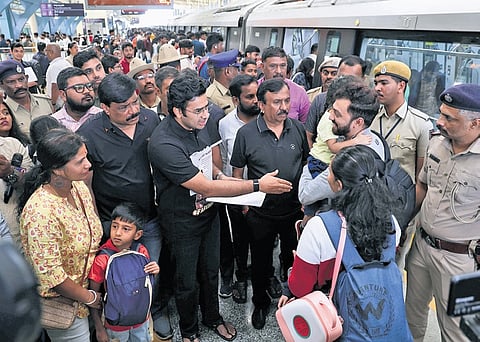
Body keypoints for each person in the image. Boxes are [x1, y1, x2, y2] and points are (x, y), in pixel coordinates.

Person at [148, 71, 293, 342]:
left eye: (207, 107)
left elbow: (208, 165)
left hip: (209, 214)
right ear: (177, 111)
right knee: (187, 281)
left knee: (210, 272)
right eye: (198, 110)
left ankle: (213, 317)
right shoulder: (163, 142)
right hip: (182, 221)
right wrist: (257, 185)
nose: (206, 114)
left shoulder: (201, 124)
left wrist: (222, 175)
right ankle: (190, 330)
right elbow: (203, 186)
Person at [230, 78, 309, 329]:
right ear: (262, 105)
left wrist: (306, 201)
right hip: (260, 214)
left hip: (293, 212)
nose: (283, 107)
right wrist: (244, 204)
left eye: (286, 101)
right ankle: (261, 302)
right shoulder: (246, 134)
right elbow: (237, 172)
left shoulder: (296, 128)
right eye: (276, 102)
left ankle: (293, 300)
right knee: (261, 263)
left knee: (293, 259)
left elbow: (306, 165)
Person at [405, 84, 480, 342]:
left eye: (449, 118)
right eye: (441, 113)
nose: (440, 122)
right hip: (421, 248)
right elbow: (422, 186)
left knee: (459, 331)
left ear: (475, 123)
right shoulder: (437, 143)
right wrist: (401, 224)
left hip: (461, 260)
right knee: (410, 318)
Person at [19, 128, 103, 341]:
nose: (88, 165)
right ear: (56, 169)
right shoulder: (40, 213)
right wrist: (90, 297)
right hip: (65, 305)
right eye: (80, 161)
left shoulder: (78, 187)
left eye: (86, 157)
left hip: (92, 290)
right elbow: (52, 277)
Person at [370, 60, 433, 267]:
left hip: (400, 207)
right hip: (369, 203)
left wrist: (404, 219)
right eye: (376, 82)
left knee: (393, 266)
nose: (378, 88)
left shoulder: (420, 124)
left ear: (401, 86)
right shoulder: (370, 117)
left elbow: (421, 178)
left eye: (384, 83)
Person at [298, 78, 385, 211]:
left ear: (358, 122)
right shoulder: (377, 140)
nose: (331, 116)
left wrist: (307, 166)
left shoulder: (347, 161)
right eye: (332, 110)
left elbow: (305, 194)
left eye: (337, 113)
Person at [89, 202, 160, 342]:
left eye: (126, 229)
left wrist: (155, 270)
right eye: (115, 226)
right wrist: (99, 327)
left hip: (141, 320)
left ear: (138, 234)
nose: (118, 233)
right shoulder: (102, 259)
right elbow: (93, 297)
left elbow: (144, 285)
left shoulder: (141, 251)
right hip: (115, 325)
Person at [217, 74, 261, 302]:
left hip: (263, 192)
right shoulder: (224, 125)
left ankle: (264, 275)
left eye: (257, 95)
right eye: (249, 97)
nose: (256, 100)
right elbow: (223, 159)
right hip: (236, 192)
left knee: (262, 237)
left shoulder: (266, 119)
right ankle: (240, 277)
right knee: (239, 237)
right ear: (235, 100)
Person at [0, 60, 53, 135]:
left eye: (21, 79)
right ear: (1, 85)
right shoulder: (4, 113)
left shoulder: (45, 101)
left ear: (27, 78)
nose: (19, 85)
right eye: (11, 82)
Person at [259, 46, 310, 124]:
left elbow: (305, 126)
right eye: (273, 66)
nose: (279, 71)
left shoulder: (299, 93)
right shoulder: (253, 90)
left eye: (283, 66)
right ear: (262, 67)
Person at [52, 67, 102, 132]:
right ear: (63, 95)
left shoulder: (103, 117)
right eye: (79, 88)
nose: (87, 91)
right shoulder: (54, 123)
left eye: (89, 86)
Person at [206, 49, 240, 115]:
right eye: (236, 69)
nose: (238, 73)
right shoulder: (211, 97)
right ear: (227, 71)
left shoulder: (233, 90)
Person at [45, 43, 72, 110]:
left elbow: (55, 86)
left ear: (51, 52)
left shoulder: (55, 66)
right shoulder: (66, 63)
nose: (45, 54)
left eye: (46, 51)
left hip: (59, 104)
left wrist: (53, 104)